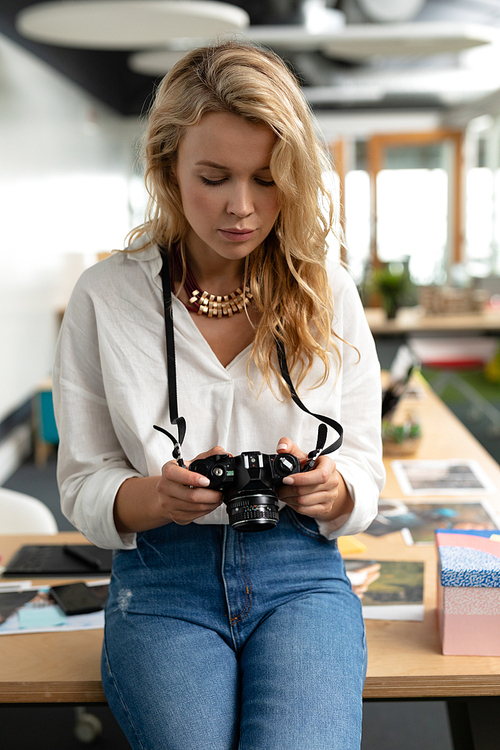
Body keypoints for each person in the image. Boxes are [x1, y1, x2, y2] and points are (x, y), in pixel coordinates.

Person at [53, 41, 385, 750]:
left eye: (267, 180)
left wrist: (334, 490)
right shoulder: (105, 298)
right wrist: (157, 499)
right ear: (168, 169)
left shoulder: (327, 291)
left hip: (300, 570)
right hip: (163, 574)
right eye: (214, 177)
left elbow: (365, 469)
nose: (242, 208)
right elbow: (83, 483)